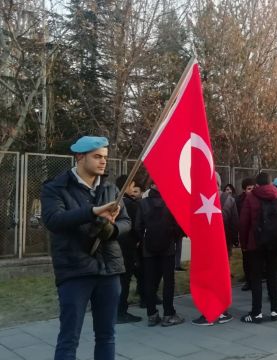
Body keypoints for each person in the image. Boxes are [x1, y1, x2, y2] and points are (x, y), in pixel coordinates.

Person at [41, 136, 130, 360]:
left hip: (109, 269)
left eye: (105, 157)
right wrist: (93, 211)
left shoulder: (111, 188)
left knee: (107, 335)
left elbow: (127, 221)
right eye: (97, 156)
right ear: (80, 157)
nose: (103, 162)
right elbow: (54, 220)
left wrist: (114, 230)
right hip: (74, 270)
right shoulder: (56, 187)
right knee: (69, 338)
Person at [239, 172, 277, 323]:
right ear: (270, 183)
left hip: (255, 244)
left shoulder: (250, 197)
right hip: (275, 244)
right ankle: (275, 311)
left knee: (255, 279)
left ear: (257, 184)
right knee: (272, 277)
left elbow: (243, 223)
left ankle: (256, 313)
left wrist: (244, 244)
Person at [136, 183, 185, 327]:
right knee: (168, 282)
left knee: (150, 281)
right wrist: (173, 236)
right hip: (168, 248)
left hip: (148, 250)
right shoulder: (171, 201)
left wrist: (144, 240)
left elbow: (137, 226)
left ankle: (152, 314)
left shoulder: (142, 203)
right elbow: (178, 225)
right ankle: (168, 314)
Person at [192, 172, 238, 325]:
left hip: (205, 245)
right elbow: (234, 224)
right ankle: (222, 311)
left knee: (207, 276)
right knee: (222, 276)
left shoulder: (197, 199)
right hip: (224, 245)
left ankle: (208, 312)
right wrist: (231, 242)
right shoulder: (229, 199)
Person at [114, 175, 143, 324]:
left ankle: (113, 309)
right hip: (127, 247)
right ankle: (121, 312)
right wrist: (138, 240)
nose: (134, 188)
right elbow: (137, 227)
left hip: (114, 246)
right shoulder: (130, 205)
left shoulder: (113, 202)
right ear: (126, 187)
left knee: (116, 280)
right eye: (132, 185)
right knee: (124, 280)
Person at [236, 177, 256, 291]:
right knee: (246, 259)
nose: (251, 191)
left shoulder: (258, 199)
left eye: (253, 188)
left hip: (255, 234)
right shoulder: (239, 201)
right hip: (245, 233)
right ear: (244, 190)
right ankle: (249, 280)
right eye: (249, 189)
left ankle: (255, 280)